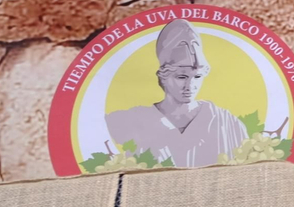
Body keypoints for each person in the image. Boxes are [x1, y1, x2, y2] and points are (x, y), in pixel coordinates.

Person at [104, 19, 248, 168]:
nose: (190, 86)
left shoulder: (228, 124)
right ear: (163, 77)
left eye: (197, 77)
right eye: (181, 77)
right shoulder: (126, 122)